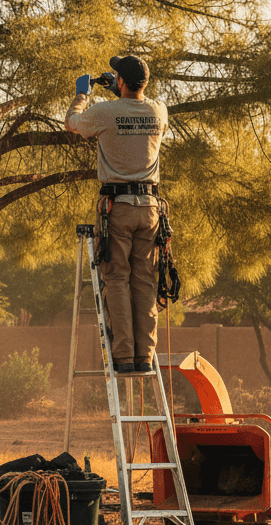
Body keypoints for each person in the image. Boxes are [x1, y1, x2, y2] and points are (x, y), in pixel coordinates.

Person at [65, 54, 168, 374]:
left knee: (118, 280)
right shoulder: (159, 110)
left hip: (117, 209)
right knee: (145, 281)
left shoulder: (104, 112)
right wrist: (119, 94)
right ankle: (145, 356)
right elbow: (133, 115)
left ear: (120, 81)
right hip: (150, 210)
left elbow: (72, 123)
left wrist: (82, 95)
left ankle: (124, 356)